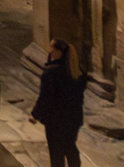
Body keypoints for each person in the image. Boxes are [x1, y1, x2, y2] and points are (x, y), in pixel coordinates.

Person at [29, 38, 88, 166]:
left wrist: (35, 114)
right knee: (70, 147)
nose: (50, 52)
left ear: (58, 52)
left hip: (55, 120)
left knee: (56, 153)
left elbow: (46, 97)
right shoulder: (78, 72)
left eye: (52, 49)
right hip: (74, 118)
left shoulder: (51, 72)